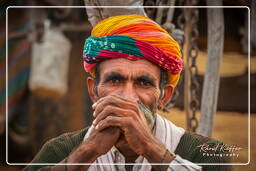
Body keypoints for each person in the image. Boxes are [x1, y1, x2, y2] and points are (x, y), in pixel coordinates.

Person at [24, 15, 232, 171]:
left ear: (164, 96)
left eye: (143, 83)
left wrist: (151, 148)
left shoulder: (207, 153)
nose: (128, 97)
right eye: (115, 80)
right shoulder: (62, 150)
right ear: (93, 91)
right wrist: (87, 153)